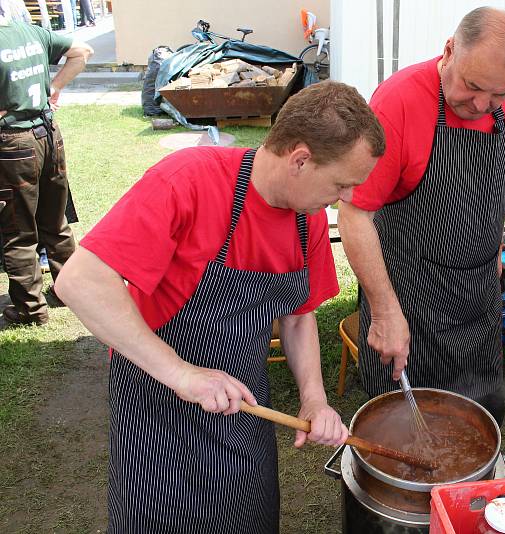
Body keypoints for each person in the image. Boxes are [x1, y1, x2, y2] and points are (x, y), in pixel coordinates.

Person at [54, 81, 385, 532]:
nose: (347, 198)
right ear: (300, 159)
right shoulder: (188, 180)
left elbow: (298, 313)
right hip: (156, 403)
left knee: (246, 517)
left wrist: (313, 398)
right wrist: (181, 373)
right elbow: (79, 281)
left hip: (244, 402)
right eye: (342, 183)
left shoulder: (306, 220)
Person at [337, 6, 505, 426]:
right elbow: (354, 214)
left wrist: (492, 256)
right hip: (408, 297)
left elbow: (497, 195)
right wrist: (386, 312)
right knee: (402, 427)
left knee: (478, 419)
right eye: (472, 85)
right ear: (449, 50)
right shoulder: (399, 100)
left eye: (498, 94)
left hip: (477, 296)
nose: (482, 104)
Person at [0, 18, 93, 325]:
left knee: (18, 232)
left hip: (14, 144)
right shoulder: (30, 31)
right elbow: (82, 51)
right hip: (48, 135)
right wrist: (53, 88)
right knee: (56, 222)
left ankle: (30, 310)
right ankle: (70, 291)